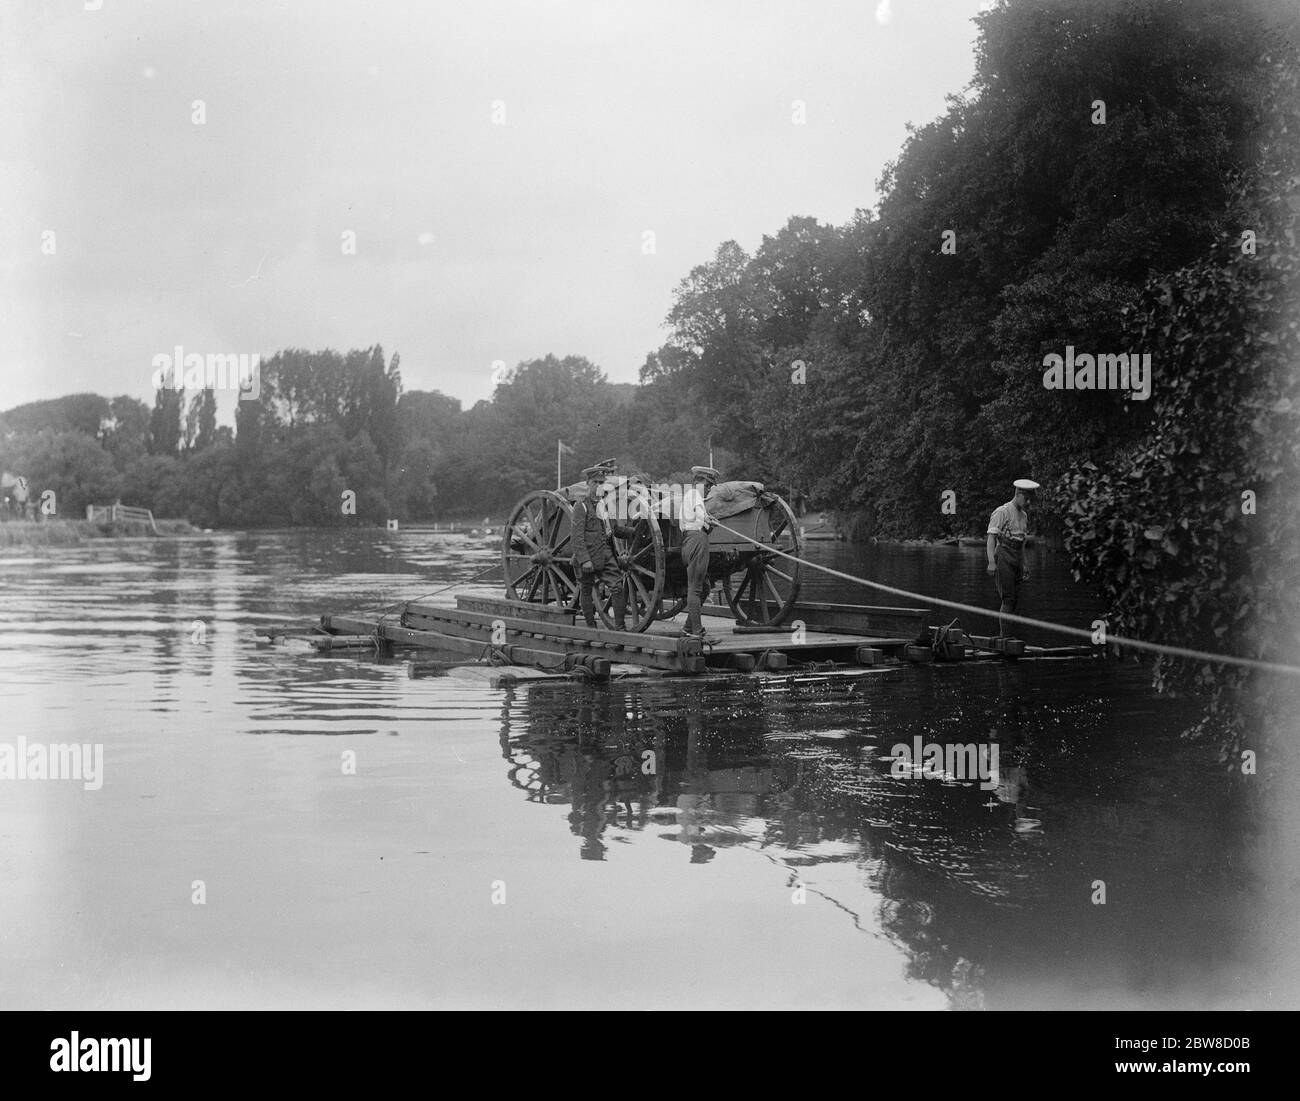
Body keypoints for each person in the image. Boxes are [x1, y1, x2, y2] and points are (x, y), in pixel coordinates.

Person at [571, 462, 629, 631]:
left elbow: (615, 530)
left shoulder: (605, 505)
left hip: (605, 554)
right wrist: (584, 560)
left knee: (617, 587)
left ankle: (620, 627)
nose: (598, 486)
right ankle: (590, 626)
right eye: (595, 482)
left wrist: (635, 532)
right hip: (588, 555)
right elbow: (577, 538)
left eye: (601, 483)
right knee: (586, 589)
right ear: (588, 484)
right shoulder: (581, 506)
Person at [986, 478, 1039, 637]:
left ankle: (1007, 635)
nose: (1028, 503)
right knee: (1008, 598)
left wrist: (1024, 564)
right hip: (1003, 556)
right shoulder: (1002, 512)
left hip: (1017, 557)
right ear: (1018, 494)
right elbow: (991, 538)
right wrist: (991, 562)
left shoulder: (1024, 515)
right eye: (1026, 499)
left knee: (1014, 600)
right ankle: (1005, 637)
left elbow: (1022, 542)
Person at [679, 465, 719, 639]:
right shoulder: (694, 494)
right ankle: (697, 632)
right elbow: (700, 517)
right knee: (695, 589)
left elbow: (699, 522)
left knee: (705, 587)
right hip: (696, 541)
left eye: (710, 486)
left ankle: (688, 627)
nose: (709, 489)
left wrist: (709, 522)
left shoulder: (692, 497)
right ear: (698, 482)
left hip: (692, 540)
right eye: (707, 485)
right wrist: (708, 519)